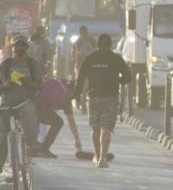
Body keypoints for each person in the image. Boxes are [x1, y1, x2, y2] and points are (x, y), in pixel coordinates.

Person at [73, 34, 131, 168]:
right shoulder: (116, 58)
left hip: (94, 96)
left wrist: (77, 97)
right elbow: (128, 76)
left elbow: (80, 78)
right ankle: (103, 159)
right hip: (111, 97)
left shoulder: (90, 58)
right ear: (110, 44)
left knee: (95, 128)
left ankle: (97, 155)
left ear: (97, 44)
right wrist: (117, 81)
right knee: (106, 128)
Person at [0, 36, 42, 180]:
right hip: (7, 103)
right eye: (16, 46)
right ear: (12, 48)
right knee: (2, 135)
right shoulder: (6, 64)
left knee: (29, 118)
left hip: (25, 102)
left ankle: (29, 149)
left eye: (22, 46)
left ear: (26, 48)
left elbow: (39, 86)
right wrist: (6, 85)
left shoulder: (33, 64)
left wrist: (26, 80)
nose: (19, 49)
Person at [36, 76, 82, 158]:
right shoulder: (67, 97)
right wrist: (77, 139)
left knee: (49, 120)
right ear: (73, 91)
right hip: (41, 107)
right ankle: (44, 149)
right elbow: (71, 121)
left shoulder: (55, 83)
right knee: (58, 122)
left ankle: (36, 147)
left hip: (33, 102)